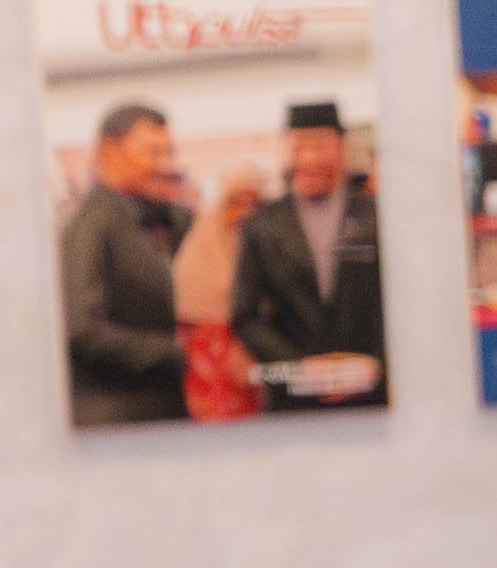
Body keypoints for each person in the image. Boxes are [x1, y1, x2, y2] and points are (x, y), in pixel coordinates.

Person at [228, 97, 390, 405]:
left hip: (371, 392)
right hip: (292, 399)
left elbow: (402, 301)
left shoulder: (378, 217)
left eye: (321, 146)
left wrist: (377, 363)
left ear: (343, 148)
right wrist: (299, 368)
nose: (310, 159)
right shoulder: (261, 225)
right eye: (299, 147)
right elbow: (245, 315)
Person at [59, 101, 196, 427]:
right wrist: (176, 352)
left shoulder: (156, 218)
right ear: (110, 150)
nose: (164, 165)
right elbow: (82, 330)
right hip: (118, 417)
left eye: (168, 153)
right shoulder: (91, 225)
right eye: (153, 153)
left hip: (159, 412)